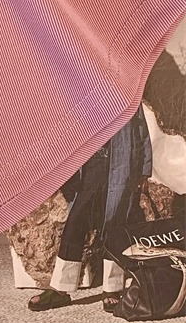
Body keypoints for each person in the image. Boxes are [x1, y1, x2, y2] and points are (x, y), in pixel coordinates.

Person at [29, 104, 152, 312]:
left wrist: (143, 171)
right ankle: (60, 288)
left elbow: (141, 130)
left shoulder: (128, 91)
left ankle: (112, 289)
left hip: (122, 167)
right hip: (90, 166)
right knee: (75, 223)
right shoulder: (85, 92)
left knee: (115, 225)